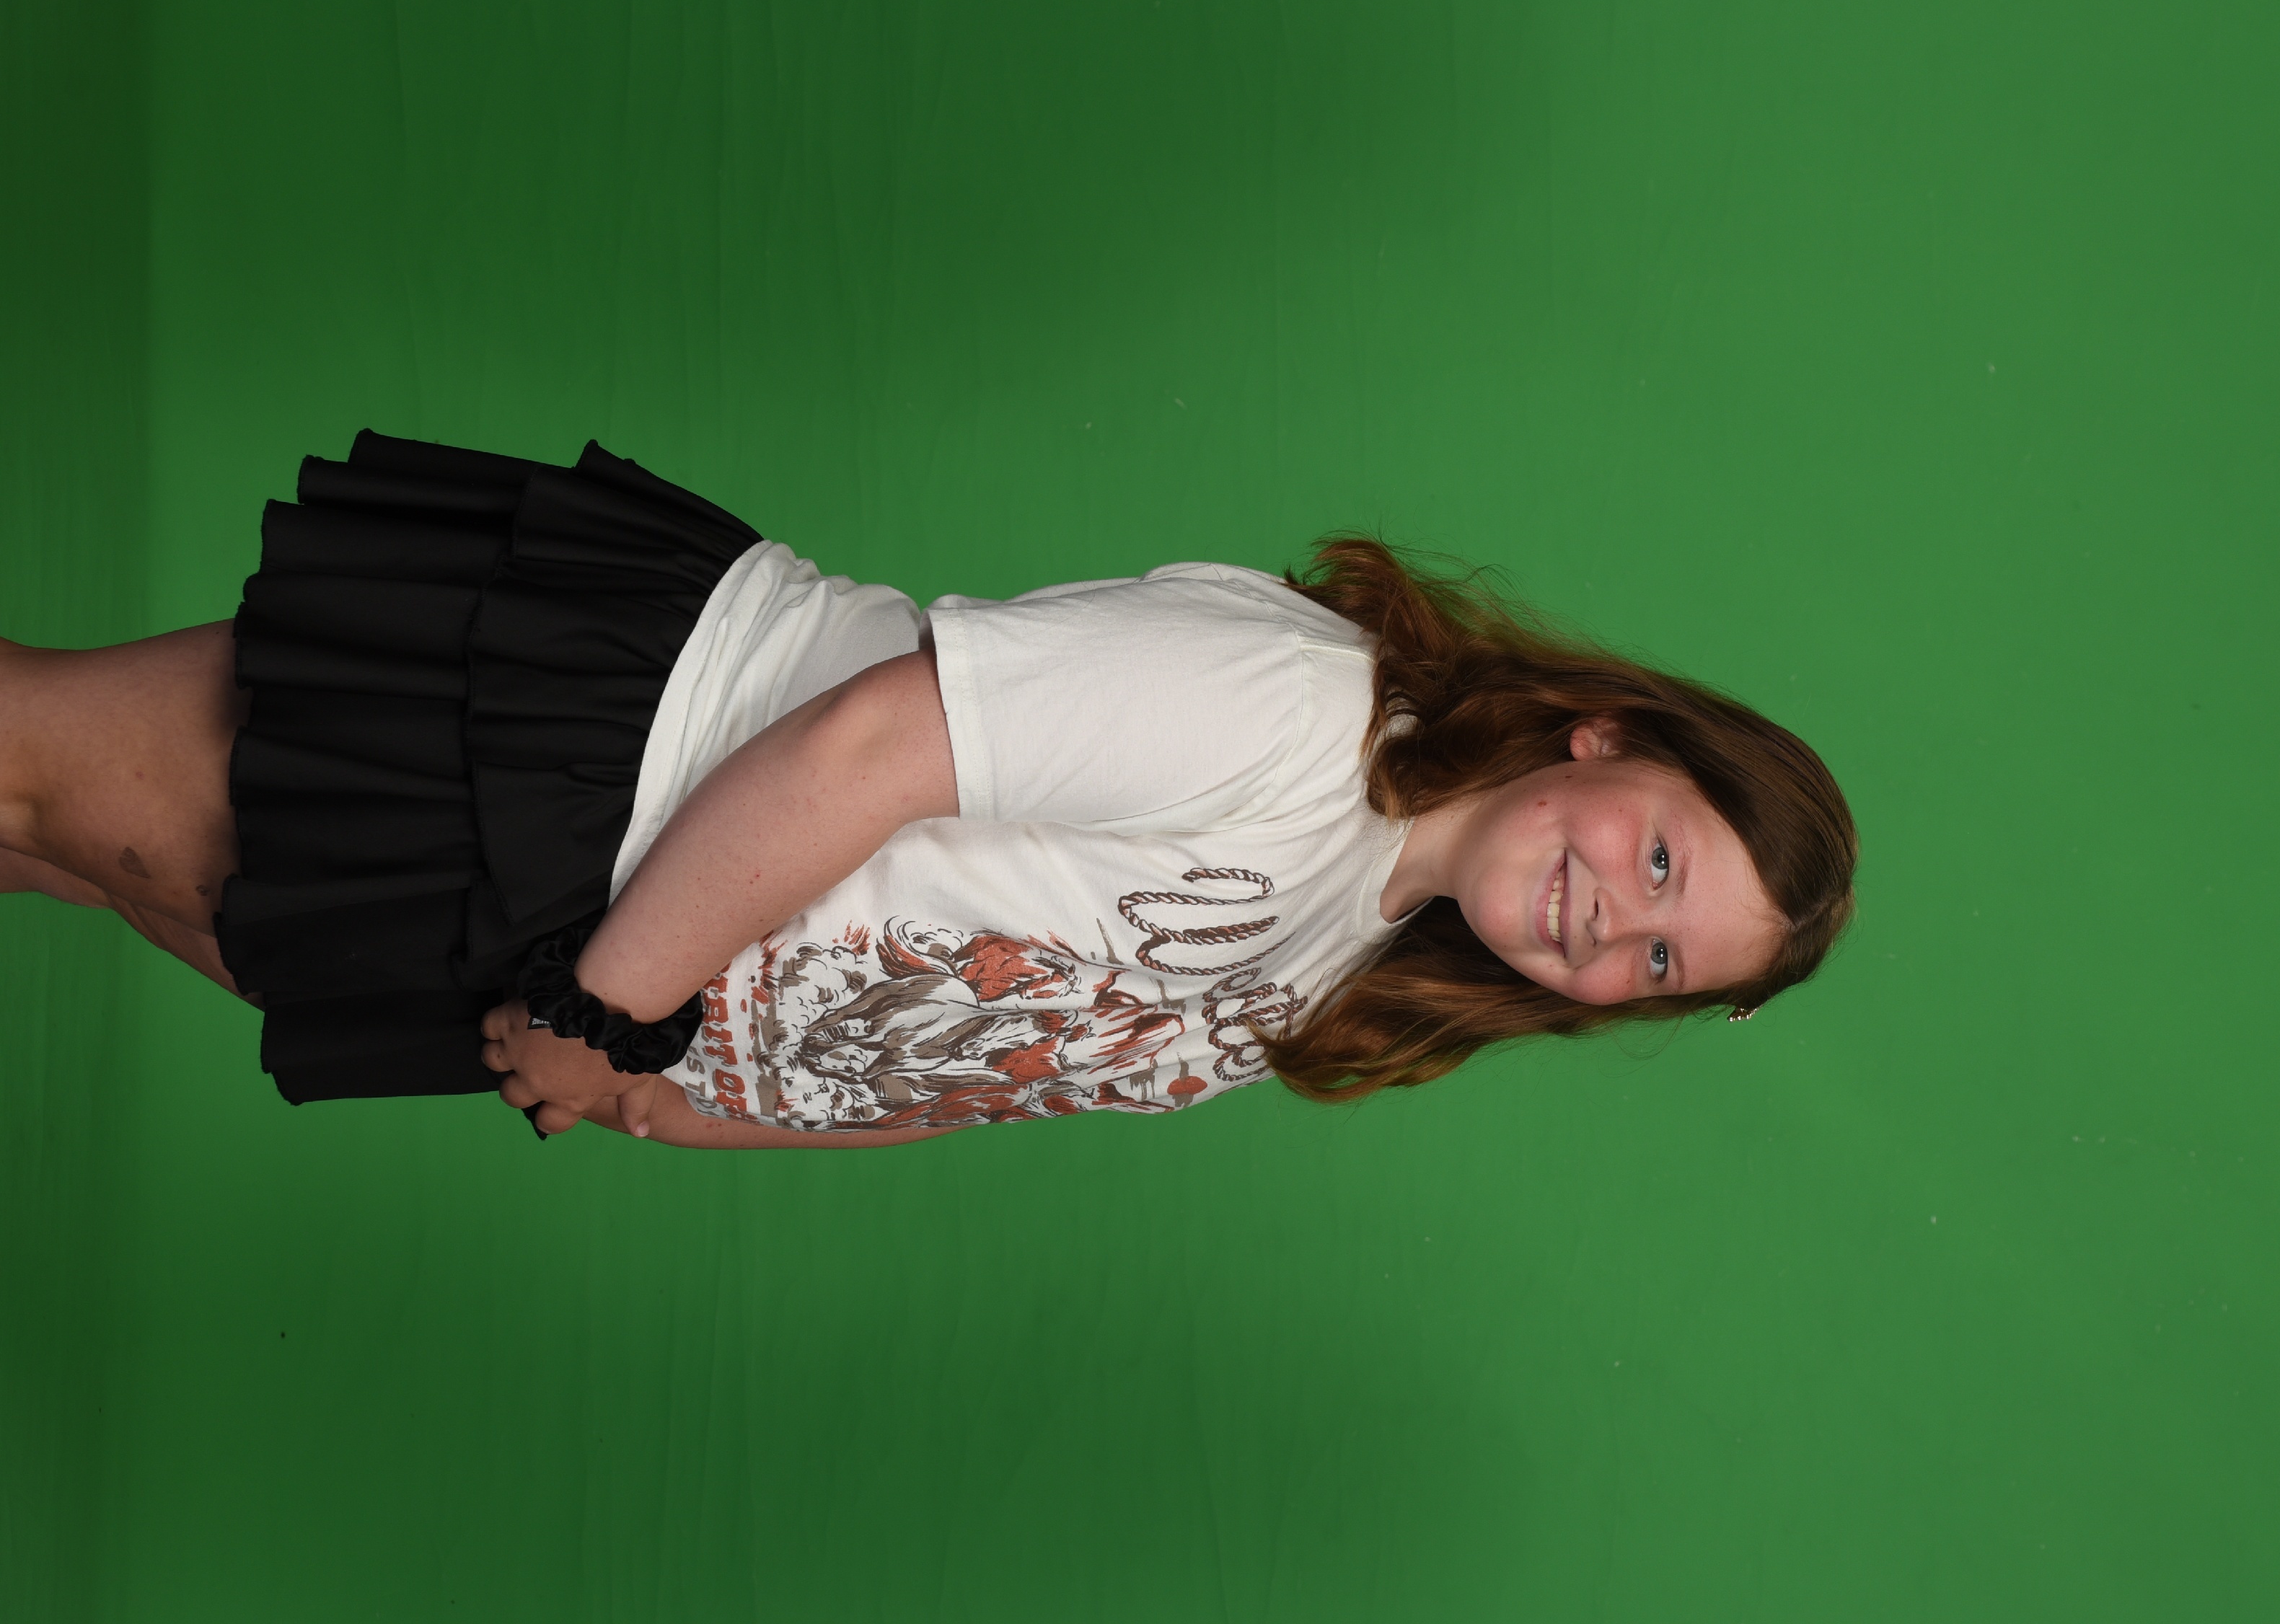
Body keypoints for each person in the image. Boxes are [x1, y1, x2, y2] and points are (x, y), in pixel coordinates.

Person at [0, 434, 1855, 1149]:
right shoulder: (1298, 716)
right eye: (1660, 860)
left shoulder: (1326, 975)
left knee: (38, 848)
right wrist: (604, 1014)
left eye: (1659, 962)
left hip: (588, 958)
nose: (1612, 922)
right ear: (1605, 737)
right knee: (31, 772)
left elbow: (966, 1076)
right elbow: (869, 748)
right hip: (593, 770)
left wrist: (672, 1104)